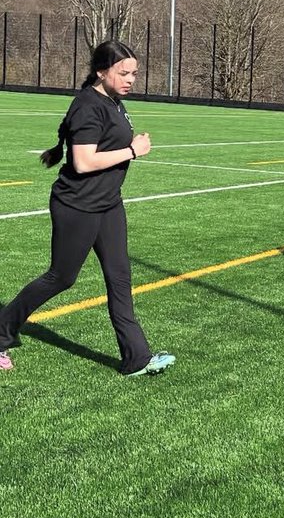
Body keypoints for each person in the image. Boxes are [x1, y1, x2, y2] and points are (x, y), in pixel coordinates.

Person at [0, 40, 175, 376]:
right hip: (77, 206)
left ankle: (137, 358)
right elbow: (83, 162)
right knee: (61, 277)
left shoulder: (115, 101)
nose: (130, 80)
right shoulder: (87, 106)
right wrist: (133, 151)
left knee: (120, 277)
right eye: (123, 73)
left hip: (108, 204)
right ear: (101, 72)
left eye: (134, 73)